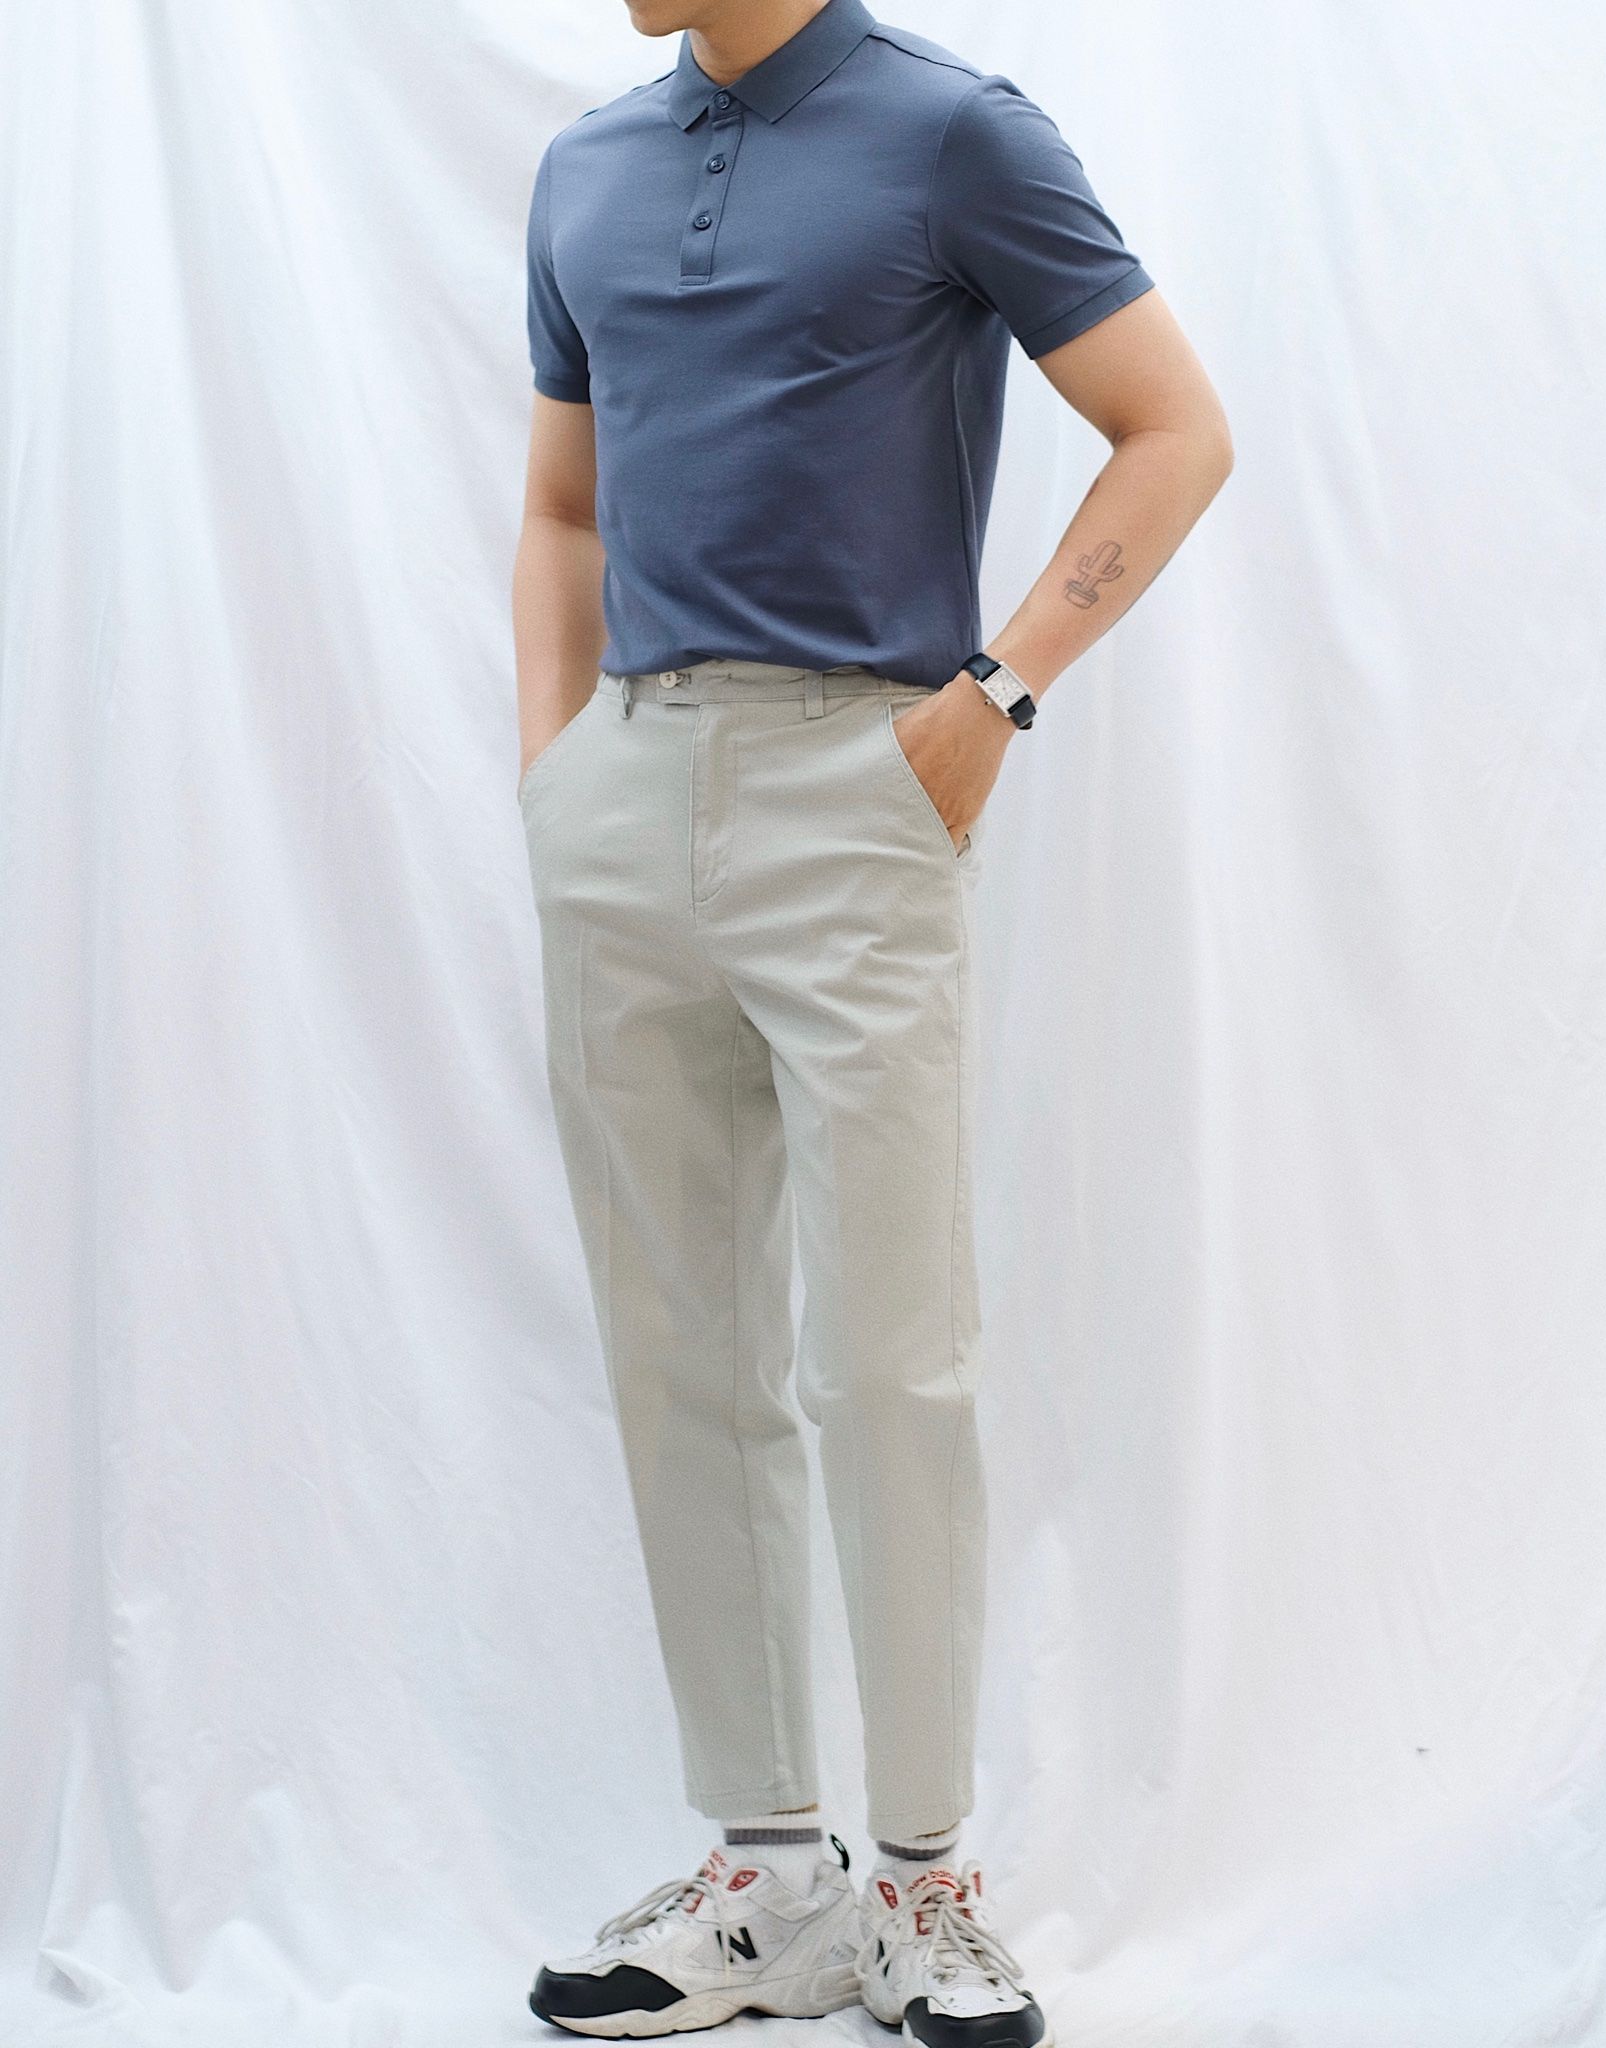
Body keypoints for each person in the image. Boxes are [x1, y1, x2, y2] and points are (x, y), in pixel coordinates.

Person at [511, 1, 1231, 2039]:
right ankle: (771, 1874)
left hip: (865, 777)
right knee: (677, 1352)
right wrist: (553, 768)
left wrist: (994, 695)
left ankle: (924, 1879)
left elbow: (1175, 424)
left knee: (891, 1357)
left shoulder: (951, 134)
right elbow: (561, 508)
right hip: (625, 788)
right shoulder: (586, 167)